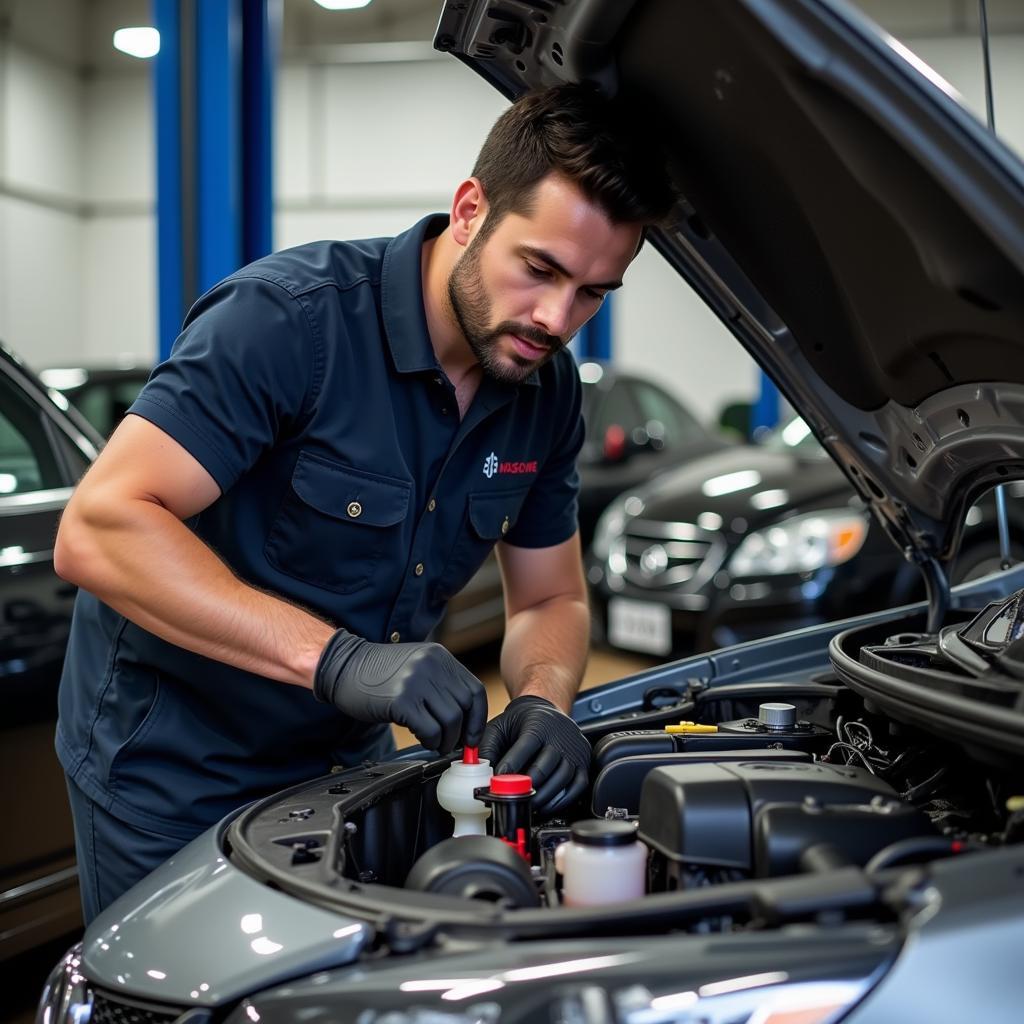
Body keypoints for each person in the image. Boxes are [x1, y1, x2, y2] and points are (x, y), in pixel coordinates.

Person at [53, 82, 675, 922]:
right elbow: (100, 529)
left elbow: (551, 595)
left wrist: (541, 699)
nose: (558, 318)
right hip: (174, 769)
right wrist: (338, 659)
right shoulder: (286, 323)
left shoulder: (546, 392)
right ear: (469, 209)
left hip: (348, 772)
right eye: (540, 269)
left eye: (595, 291)